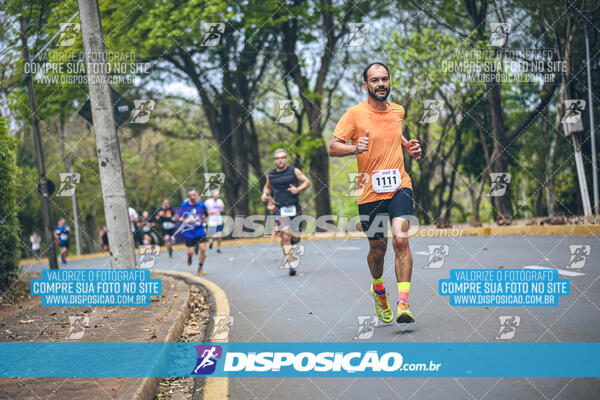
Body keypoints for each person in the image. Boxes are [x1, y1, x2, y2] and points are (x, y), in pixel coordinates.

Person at [328, 62, 422, 324]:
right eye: (375, 80)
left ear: (389, 81)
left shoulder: (398, 111)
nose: (381, 84)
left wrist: (408, 147)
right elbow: (333, 148)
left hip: (399, 186)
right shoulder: (354, 115)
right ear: (365, 85)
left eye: (384, 79)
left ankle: (403, 304)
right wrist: (355, 148)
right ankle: (379, 288)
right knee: (377, 250)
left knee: (401, 240)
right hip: (370, 193)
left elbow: (393, 133)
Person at [261, 149, 311, 276]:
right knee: (285, 234)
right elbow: (267, 186)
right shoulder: (271, 175)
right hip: (280, 208)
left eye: (282, 157)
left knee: (296, 237)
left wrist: (297, 189)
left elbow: (307, 182)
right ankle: (291, 265)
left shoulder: (294, 171)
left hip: (294, 207)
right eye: (277, 158)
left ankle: (287, 244)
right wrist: (264, 194)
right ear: (274, 160)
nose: (280, 160)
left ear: (286, 159)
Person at [176, 188, 208, 274]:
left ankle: (200, 268)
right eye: (191, 196)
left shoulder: (202, 205)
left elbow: (206, 216)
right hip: (188, 233)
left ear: (196, 194)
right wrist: (184, 220)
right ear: (188, 197)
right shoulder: (184, 205)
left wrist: (203, 220)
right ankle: (189, 256)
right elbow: (178, 217)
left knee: (203, 249)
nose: (193, 197)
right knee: (191, 252)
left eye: (194, 195)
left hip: (199, 231)